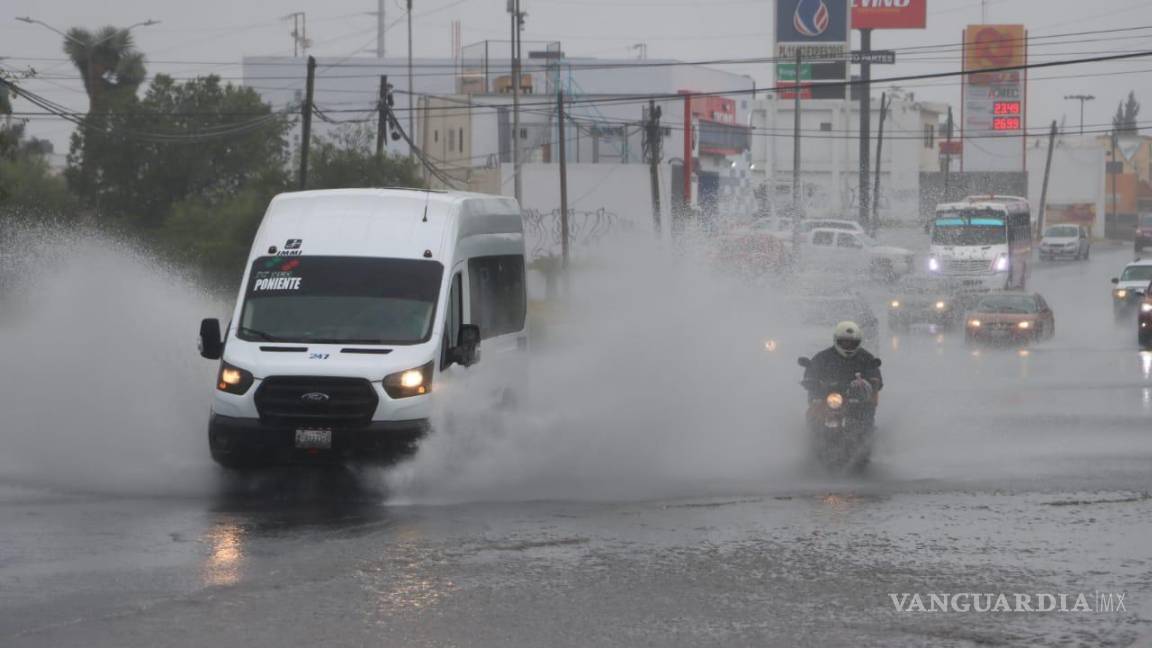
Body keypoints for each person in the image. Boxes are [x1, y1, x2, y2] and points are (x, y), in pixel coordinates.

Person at [802, 321, 883, 399]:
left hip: (858, 402)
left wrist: (868, 384)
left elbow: (875, 376)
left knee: (867, 407)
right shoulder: (822, 357)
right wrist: (810, 381)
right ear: (836, 340)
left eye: (852, 343)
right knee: (815, 408)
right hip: (826, 397)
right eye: (845, 342)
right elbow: (812, 370)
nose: (848, 345)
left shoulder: (866, 358)